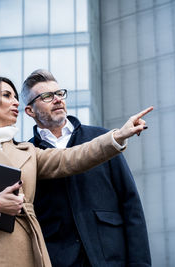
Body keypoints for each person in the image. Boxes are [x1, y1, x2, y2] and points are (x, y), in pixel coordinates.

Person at [0, 75, 152, 267]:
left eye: (16, 97)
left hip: (30, 254)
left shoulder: (27, 151)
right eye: (7, 96)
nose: (15, 102)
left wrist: (117, 136)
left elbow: (71, 158)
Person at [22, 69, 151, 267]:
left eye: (59, 93)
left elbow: (130, 203)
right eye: (46, 96)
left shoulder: (103, 139)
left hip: (111, 259)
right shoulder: (25, 155)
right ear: (30, 110)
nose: (57, 99)